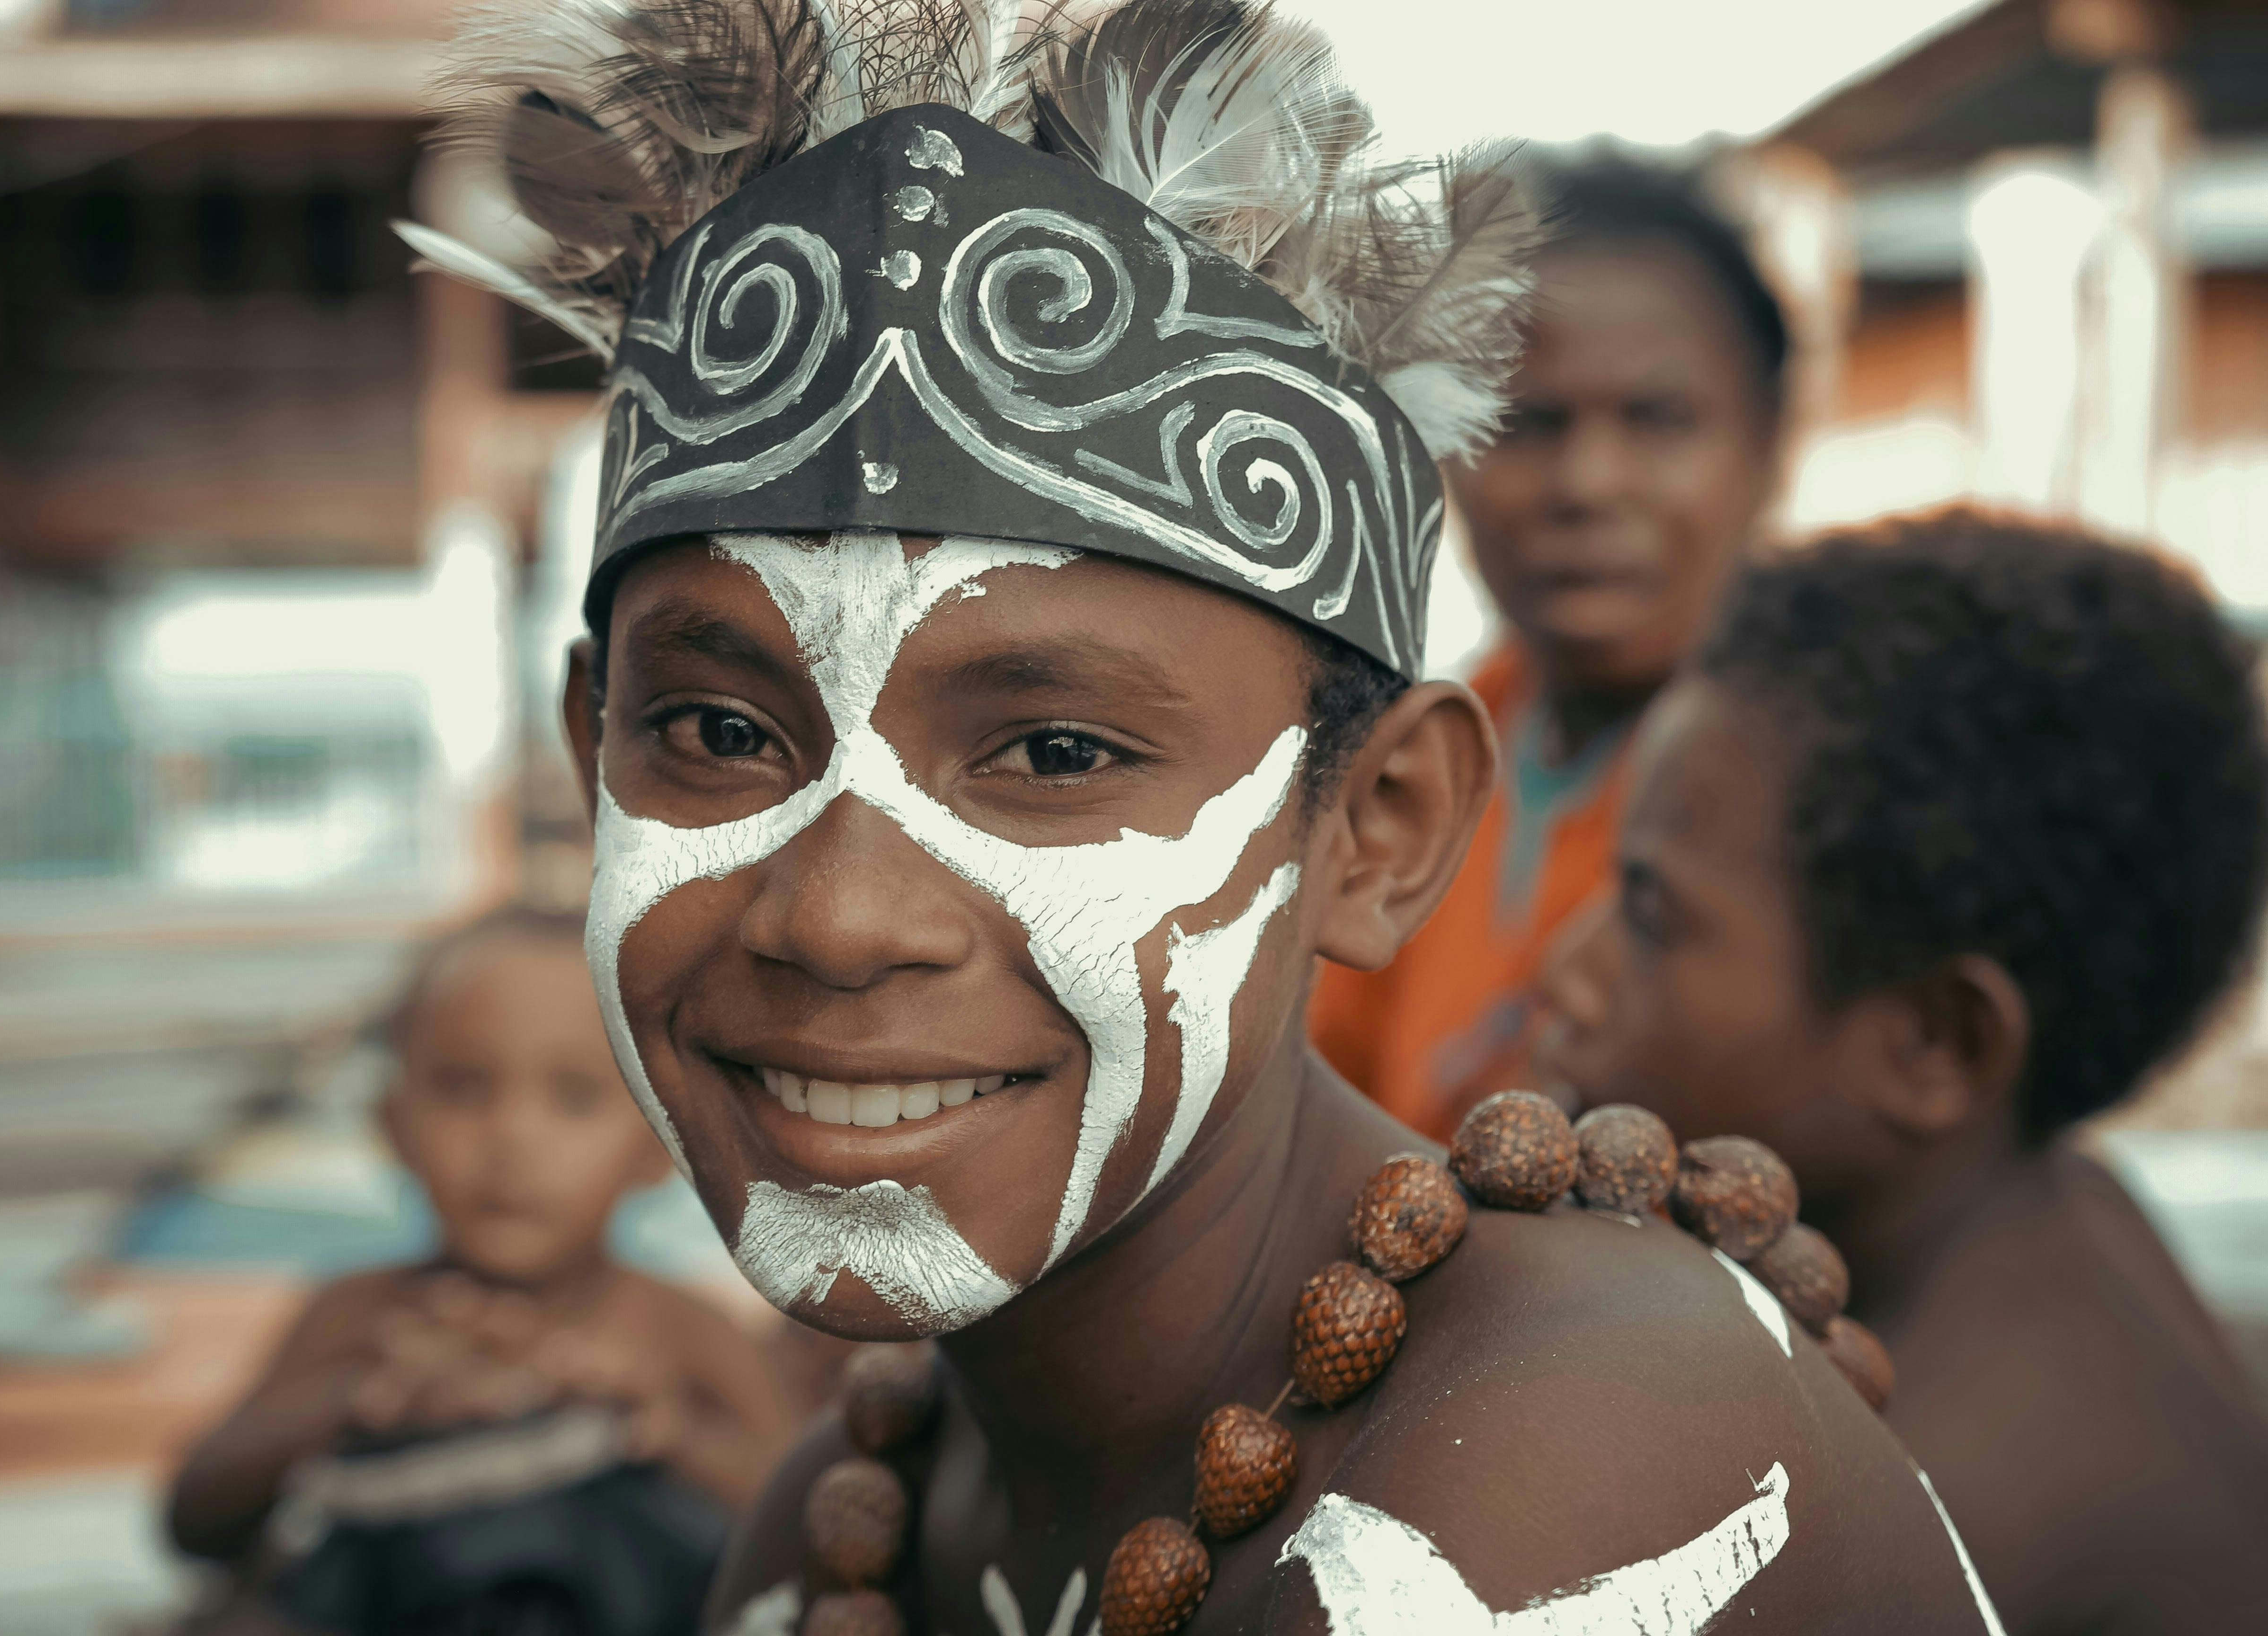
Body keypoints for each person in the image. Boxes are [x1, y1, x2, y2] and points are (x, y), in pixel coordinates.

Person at [412, 2, 2005, 1630]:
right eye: (719, 729)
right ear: (586, 753)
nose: (834, 912)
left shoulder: (1564, 1486)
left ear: (1379, 827)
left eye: (1049, 752)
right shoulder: (845, 1520)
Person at [1535, 510, 2268, 1634]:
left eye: (1649, 913)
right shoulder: (2044, 1200)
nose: (1568, 971)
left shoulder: (1912, 1515)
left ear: (1936, 1046)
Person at [1311, 156, 1787, 1140]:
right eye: (1531, 423)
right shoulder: (1406, 764)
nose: (1589, 483)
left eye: (1657, 420)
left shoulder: (1829, 785)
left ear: (1769, 442)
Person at [168, 905, 800, 1636]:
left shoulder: (679, 1330)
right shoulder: (359, 1319)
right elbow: (195, 1524)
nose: (512, 1140)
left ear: (659, 1144)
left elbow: (797, 1514)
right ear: (393, 1126)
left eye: (574, 1098)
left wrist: (668, 1427)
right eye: (464, 1089)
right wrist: (350, 1401)